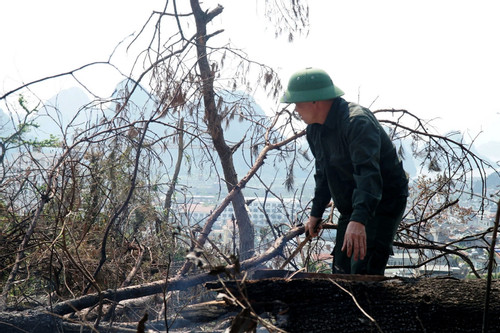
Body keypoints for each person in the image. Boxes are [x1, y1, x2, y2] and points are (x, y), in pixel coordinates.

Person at [281, 67, 408, 275]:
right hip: (353, 204)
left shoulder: (356, 122)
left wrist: (359, 221)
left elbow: (369, 175)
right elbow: (323, 173)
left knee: (362, 269)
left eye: (298, 103)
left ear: (315, 100)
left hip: (382, 201)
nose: (295, 109)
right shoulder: (315, 129)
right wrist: (316, 214)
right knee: (341, 267)